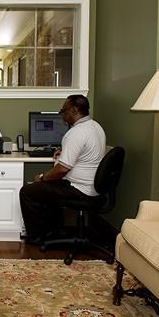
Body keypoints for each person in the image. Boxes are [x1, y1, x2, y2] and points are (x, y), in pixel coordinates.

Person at [19, 94, 106, 245]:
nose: (62, 115)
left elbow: (61, 170)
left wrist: (41, 177)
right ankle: (56, 231)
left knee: (28, 191)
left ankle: (38, 238)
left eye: (63, 111)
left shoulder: (76, 133)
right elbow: (84, 150)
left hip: (80, 189)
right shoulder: (95, 126)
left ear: (74, 110)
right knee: (49, 188)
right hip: (93, 188)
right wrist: (64, 149)